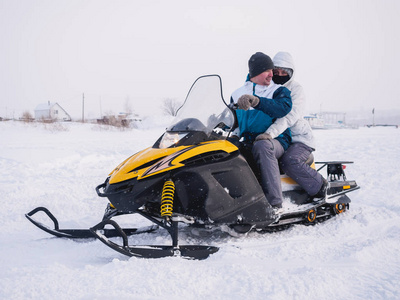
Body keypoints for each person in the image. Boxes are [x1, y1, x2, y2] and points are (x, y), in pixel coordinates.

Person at [230, 52, 292, 209]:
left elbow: (282, 108)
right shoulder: (237, 94)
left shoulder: (278, 91)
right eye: (268, 70)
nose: (272, 74)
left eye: (272, 70)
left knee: (262, 146)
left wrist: (257, 102)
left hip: (276, 141)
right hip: (248, 140)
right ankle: (233, 201)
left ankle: (275, 204)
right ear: (256, 72)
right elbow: (233, 121)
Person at [267, 51, 327, 199]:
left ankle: (320, 186)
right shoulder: (268, 88)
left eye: (284, 72)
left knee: (290, 161)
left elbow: (289, 117)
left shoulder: (296, 90)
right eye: (276, 71)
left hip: (298, 139)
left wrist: (269, 134)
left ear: (291, 73)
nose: (280, 75)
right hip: (279, 138)